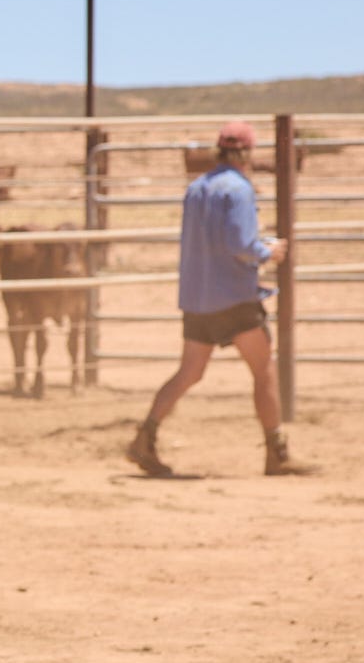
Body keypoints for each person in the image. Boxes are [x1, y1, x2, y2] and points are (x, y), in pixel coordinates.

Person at [129, 121, 302, 477]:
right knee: (263, 370)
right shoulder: (238, 189)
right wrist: (268, 251)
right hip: (234, 298)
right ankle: (276, 451)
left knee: (189, 372)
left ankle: (145, 436)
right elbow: (240, 244)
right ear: (248, 153)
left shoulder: (196, 188)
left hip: (197, 297)